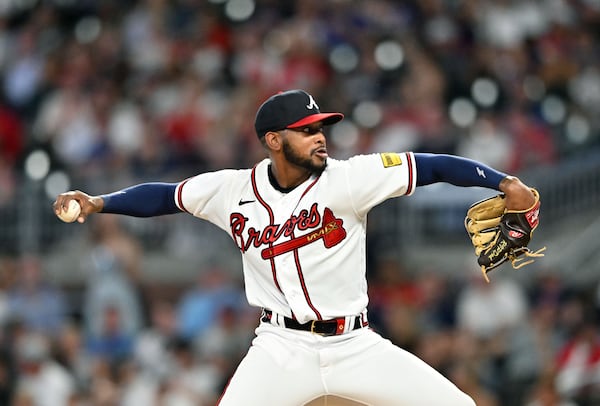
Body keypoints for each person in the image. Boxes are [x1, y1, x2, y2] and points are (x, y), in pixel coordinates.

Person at [53, 89, 539, 406]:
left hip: (355, 343)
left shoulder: (350, 179)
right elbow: (163, 196)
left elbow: (431, 165)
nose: (319, 137)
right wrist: (97, 202)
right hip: (280, 347)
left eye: (320, 127)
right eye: (306, 131)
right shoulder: (231, 190)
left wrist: (501, 181)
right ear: (273, 140)